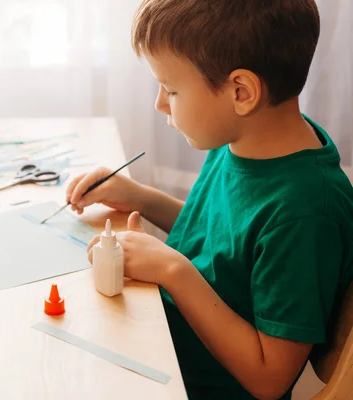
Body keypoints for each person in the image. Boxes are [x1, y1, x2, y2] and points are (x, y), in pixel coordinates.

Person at [66, 1, 353, 398]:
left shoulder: (306, 212)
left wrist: (172, 269)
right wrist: (141, 198)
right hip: (161, 348)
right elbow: (227, 243)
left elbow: (269, 379)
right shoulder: (243, 139)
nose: (160, 103)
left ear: (241, 92)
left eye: (171, 89)